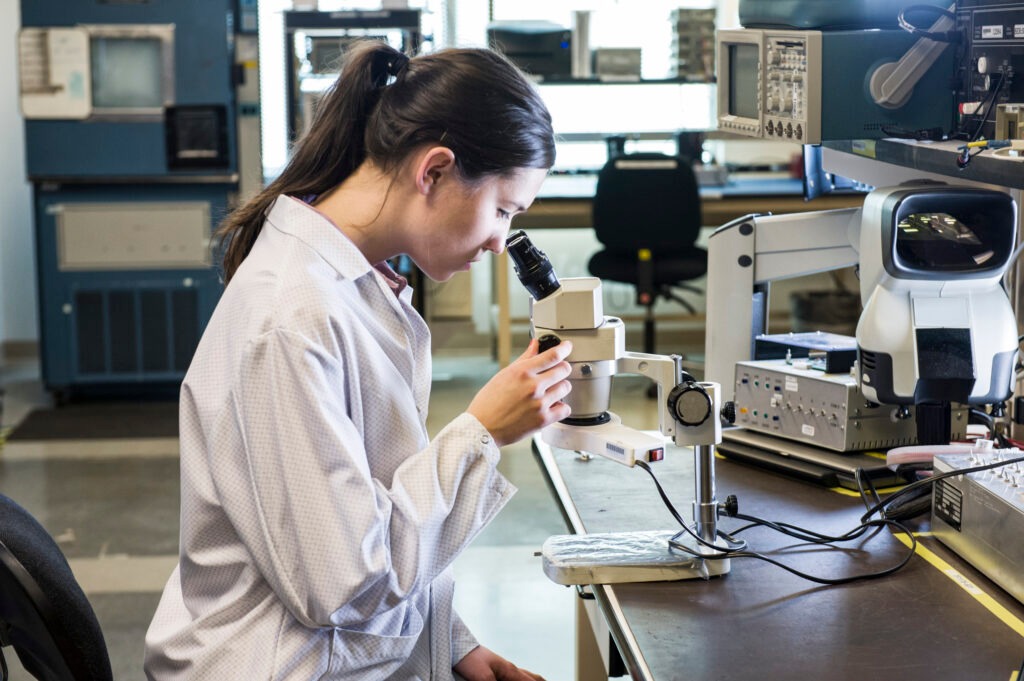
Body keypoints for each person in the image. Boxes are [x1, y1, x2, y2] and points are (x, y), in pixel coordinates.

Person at [144, 41, 573, 680]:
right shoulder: (293, 314)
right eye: (503, 210)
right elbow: (345, 581)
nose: (497, 240)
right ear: (433, 171)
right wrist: (481, 433)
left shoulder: (355, 284)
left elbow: (372, 508)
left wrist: (451, 644)